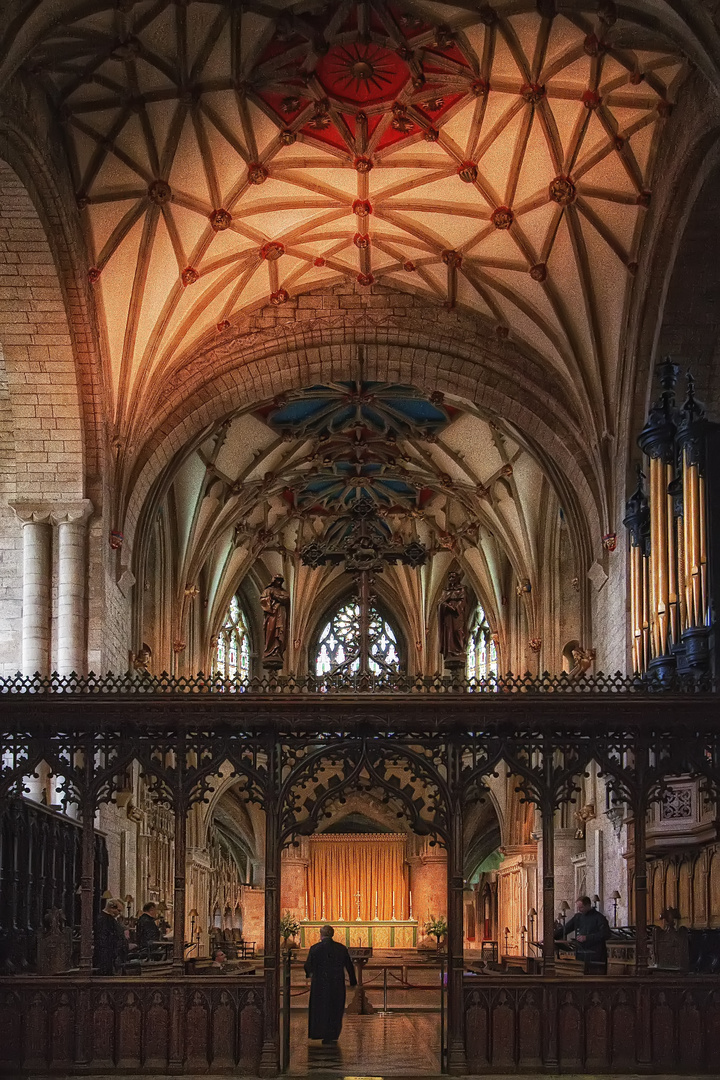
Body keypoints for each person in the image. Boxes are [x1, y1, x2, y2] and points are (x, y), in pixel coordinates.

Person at [304, 924, 357, 1044]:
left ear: (321, 934)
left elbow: (308, 965)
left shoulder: (315, 948)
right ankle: (332, 1034)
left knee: (320, 1008)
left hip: (319, 984)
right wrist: (353, 981)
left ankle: (320, 1032)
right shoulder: (341, 948)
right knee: (335, 1008)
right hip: (337, 983)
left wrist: (310, 974)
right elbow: (349, 966)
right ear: (332, 934)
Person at [555, 895, 611, 968]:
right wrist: (549, 938)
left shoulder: (599, 917)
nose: (579, 910)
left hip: (596, 955)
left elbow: (606, 934)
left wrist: (587, 938)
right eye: (578, 907)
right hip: (581, 954)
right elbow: (565, 929)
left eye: (581, 907)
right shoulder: (578, 917)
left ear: (588, 905)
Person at [93, 899, 128, 975]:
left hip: (112, 954)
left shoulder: (109, 918)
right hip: (106, 955)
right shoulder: (103, 919)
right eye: (119, 910)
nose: (119, 913)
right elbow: (104, 939)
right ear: (112, 908)